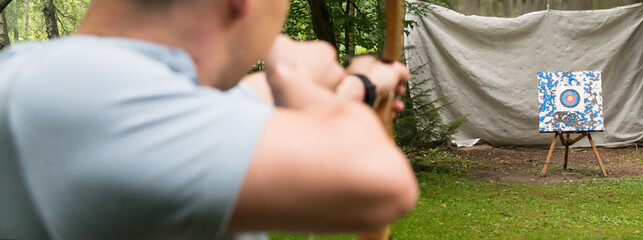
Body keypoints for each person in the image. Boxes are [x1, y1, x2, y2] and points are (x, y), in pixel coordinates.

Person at [0, 0, 418, 238]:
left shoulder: (61, 81)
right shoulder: (76, 93)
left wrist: (362, 84)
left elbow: (249, 103)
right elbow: (382, 181)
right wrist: (294, 76)